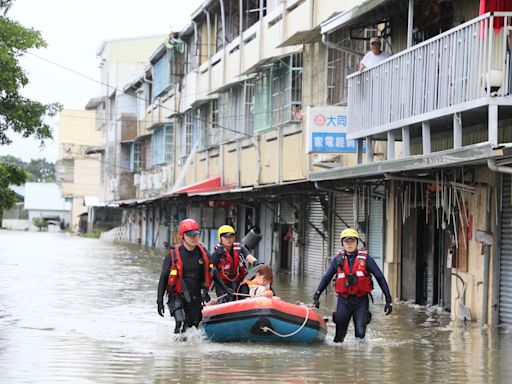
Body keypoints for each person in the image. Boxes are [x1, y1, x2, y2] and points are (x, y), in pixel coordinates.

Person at [312, 228, 392, 343]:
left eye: (352, 241)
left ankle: (358, 359)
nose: (349, 244)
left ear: (357, 243)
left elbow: (380, 277)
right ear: (342, 243)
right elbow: (326, 278)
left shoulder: (366, 260)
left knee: (360, 335)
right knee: (339, 337)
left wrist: (388, 300)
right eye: (347, 242)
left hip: (361, 301)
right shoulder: (336, 260)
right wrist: (316, 297)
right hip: (343, 301)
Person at [156, 218, 231, 335]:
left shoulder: (203, 254)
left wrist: (226, 289)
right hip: (177, 296)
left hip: (195, 297)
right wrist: (159, 300)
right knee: (181, 324)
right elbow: (163, 278)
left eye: (196, 235)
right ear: (182, 236)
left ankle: (190, 351)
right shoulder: (172, 256)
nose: (194, 238)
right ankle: (177, 351)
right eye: (190, 235)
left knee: (193, 327)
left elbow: (213, 272)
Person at [210, 224, 258, 303]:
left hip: (239, 281)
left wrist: (256, 262)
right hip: (222, 284)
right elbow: (210, 270)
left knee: (246, 294)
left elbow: (248, 256)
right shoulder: (216, 254)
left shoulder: (240, 248)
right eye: (226, 237)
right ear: (220, 238)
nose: (229, 239)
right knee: (225, 300)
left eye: (231, 237)